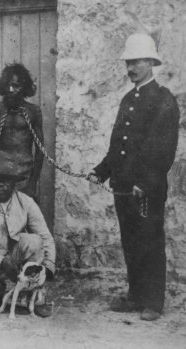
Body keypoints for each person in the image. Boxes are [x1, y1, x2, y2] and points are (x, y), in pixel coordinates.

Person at [89, 33, 179, 321]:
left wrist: (145, 182)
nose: (131, 67)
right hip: (123, 187)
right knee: (130, 240)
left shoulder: (163, 99)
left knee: (149, 239)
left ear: (151, 62)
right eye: (128, 62)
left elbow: (163, 148)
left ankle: (153, 301)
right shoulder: (128, 98)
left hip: (146, 190)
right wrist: (101, 171)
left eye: (137, 61)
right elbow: (119, 144)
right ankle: (135, 296)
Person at [0, 154, 56, 317]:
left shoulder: (26, 202)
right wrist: (0, 262)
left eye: (6, 180)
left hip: (20, 260)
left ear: (14, 183)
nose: (0, 185)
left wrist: (48, 266)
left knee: (34, 240)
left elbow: (45, 236)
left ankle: (30, 297)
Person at [0, 63, 44, 201]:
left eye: (16, 86)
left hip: (24, 171)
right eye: (8, 85)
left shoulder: (33, 111)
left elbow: (40, 151)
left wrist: (32, 183)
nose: (10, 89)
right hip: (1, 170)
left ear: (24, 87)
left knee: (22, 215)